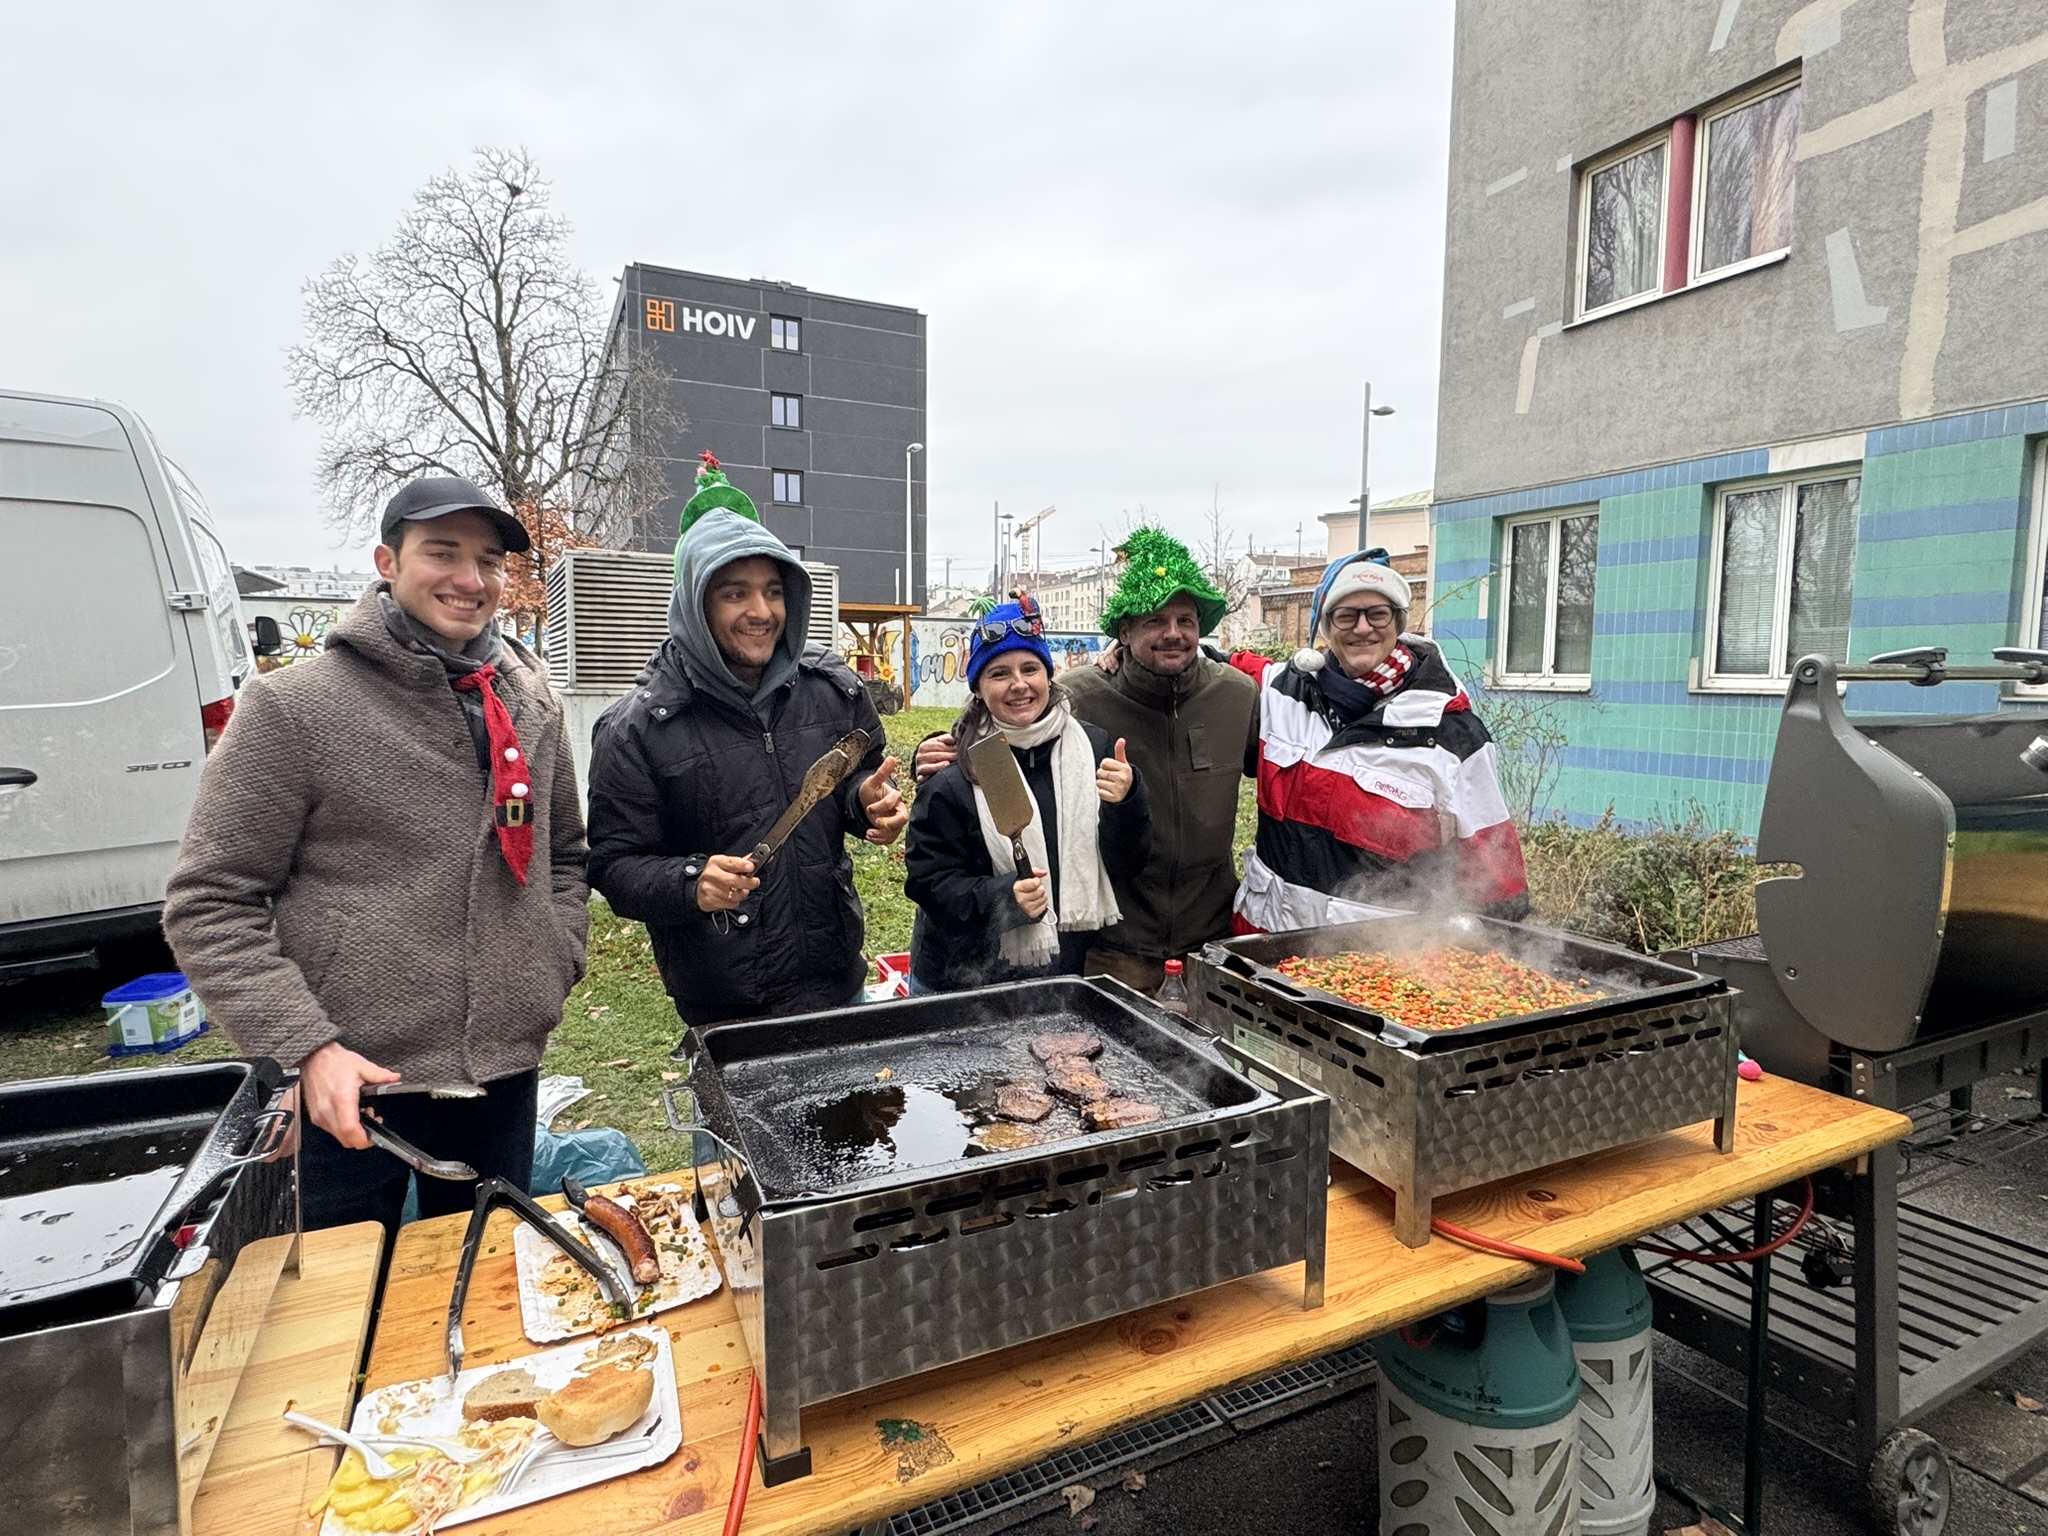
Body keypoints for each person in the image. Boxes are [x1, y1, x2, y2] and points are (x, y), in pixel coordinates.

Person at [163, 476, 589, 1234]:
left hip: (501, 1068)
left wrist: (551, 961)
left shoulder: (531, 701)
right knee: (351, 1291)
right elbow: (211, 902)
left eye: (489, 562)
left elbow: (563, 859)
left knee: (485, 1272)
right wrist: (306, 1048)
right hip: (350, 1081)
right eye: (443, 553)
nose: (470, 580)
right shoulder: (295, 707)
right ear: (387, 562)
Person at [585, 454, 908, 1027]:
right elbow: (614, 867)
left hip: (838, 981)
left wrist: (866, 803)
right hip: (724, 1007)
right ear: (695, 603)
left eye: (773, 591)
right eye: (735, 594)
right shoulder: (637, 728)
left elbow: (857, 776)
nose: (761, 612)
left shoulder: (832, 691)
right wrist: (691, 882)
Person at [916, 527, 1257, 993]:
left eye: (1186, 620)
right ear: (1124, 632)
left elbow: (1124, 848)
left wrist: (1127, 799)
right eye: (1155, 620)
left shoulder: (1236, 695)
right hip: (1103, 949)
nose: (1173, 633)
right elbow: (934, 871)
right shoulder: (1076, 703)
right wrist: (933, 750)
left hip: (1205, 938)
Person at [1230, 550, 1529, 931]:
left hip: (1373, 960)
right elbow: (1195, 664)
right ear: (1326, 626)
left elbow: (1497, 879)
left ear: (1398, 621)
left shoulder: (1452, 735)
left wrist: (1501, 949)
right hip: (1257, 948)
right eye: (1346, 615)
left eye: (1377, 614)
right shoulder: (1281, 690)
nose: (1362, 628)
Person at [904, 597, 1151, 992]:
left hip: (1063, 971)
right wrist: (1004, 899)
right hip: (961, 982)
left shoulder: (1092, 749)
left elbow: (1126, 863)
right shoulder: (956, 770)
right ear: (979, 688)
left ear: (1048, 677)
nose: (1018, 684)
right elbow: (928, 883)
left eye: (1030, 669)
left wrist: (1127, 801)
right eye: (999, 673)